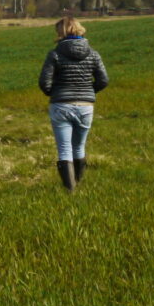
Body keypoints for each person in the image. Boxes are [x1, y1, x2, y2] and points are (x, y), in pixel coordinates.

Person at [38, 16, 108, 191]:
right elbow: (103, 80)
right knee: (79, 146)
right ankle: (79, 182)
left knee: (64, 148)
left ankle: (70, 190)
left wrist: (54, 93)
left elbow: (44, 82)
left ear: (61, 32)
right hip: (86, 106)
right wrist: (89, 92)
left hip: (61, 105)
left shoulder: (54, 54)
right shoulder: (93, 54)